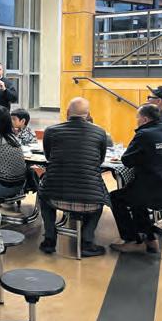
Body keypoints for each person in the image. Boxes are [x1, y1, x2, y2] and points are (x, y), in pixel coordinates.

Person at [109, 104, 162, 254]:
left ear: (145, 119)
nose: (137, 121)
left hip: (161, 192)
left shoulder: (144, 134)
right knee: (135, 196)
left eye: (137, 118)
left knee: (116, 198)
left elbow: (127, 160)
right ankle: (150, 240)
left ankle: (132, 240)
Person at [37, 97, 108, 257]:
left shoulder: (51, 131)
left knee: (43, 194)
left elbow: (48, 157)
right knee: (101, 197)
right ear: (88, 114)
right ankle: (87, 241)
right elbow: (100, 160)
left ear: (67, 113)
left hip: (55, 195)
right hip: (90, 200)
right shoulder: (100, 132)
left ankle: (49, 239)